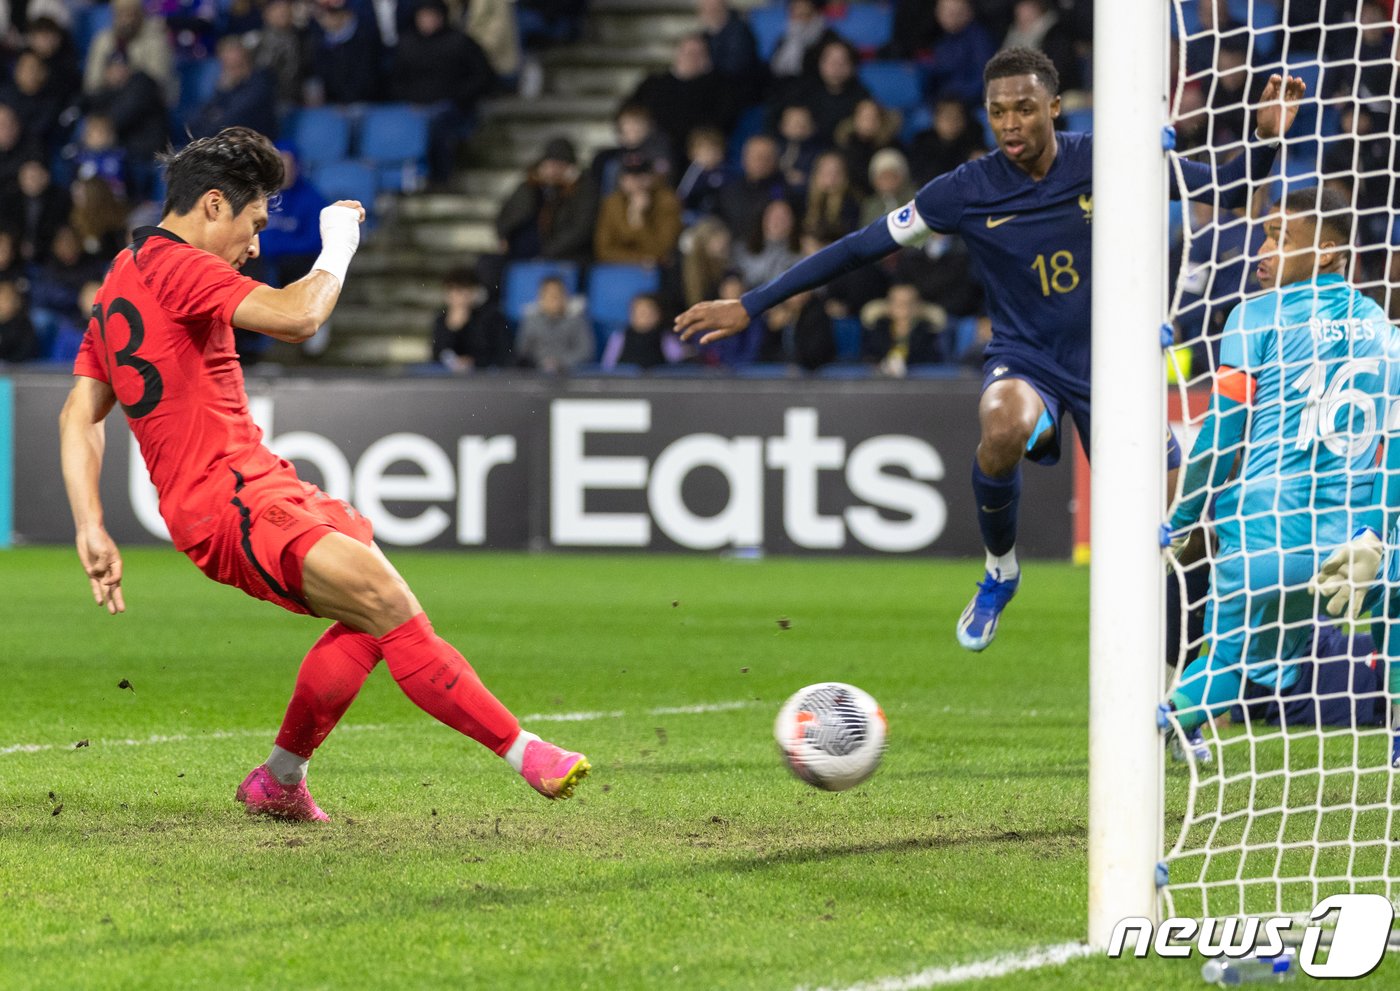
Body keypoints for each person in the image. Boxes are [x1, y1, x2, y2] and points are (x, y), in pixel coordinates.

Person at [677, 47, 1304, 652]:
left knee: (1182, 536)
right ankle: (1000, 570)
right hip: (1027, 358)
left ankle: (1177, 697)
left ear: (1054, 107)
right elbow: (859, 247)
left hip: (1116, 369)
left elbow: (1227, 190)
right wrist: (752, 303)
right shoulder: (965, 190)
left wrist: (1268, 135)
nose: (1010, 123)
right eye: (998, 111)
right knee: (1003, 425)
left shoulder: (1108, 161)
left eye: (1024, 109)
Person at [58, 128, 589, 821]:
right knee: (386, 600)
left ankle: (280, 778)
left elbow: (80, 412)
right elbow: (299, 314)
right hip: (229, 504)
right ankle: (526, 752)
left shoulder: (126, 276)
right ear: (212, 206)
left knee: (371, 612)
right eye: (252, 225)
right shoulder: (179, 265)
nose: (254, 247)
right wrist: (337, 240)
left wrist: (90, 524)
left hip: (255, 484)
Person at [1161, 187, 1400, 763]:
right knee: (1393, 612)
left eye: (1278, 237)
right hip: (1349, 544)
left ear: (1326, 251)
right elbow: (1392, 447)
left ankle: (1164, 724)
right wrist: (1378, 534)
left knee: (1227, 661)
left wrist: (1182, 519)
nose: (1260, 251)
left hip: (1264, 533)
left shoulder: (1254, 316)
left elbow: (1223, 432)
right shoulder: (1383, 328)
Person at [432, 267, 513, 371]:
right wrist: (452, 329)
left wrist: (474, 361)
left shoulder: (492, 318)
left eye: (462, 290)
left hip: (485, 377)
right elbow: (438, 355)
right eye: (453, 291)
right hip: (450, 380)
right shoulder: (442, 320)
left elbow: (502, 353)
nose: (458, 297)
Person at [515, 274, 595, 372]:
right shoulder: (530, 321)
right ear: (541, 297)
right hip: (536, 373)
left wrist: (560, 362)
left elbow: (585, 351)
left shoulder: (577, 320)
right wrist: (541, 362)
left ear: (565, 296)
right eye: (548, 295)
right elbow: (522, 351)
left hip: (570, 373)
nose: (553, 299)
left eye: (557, 295)